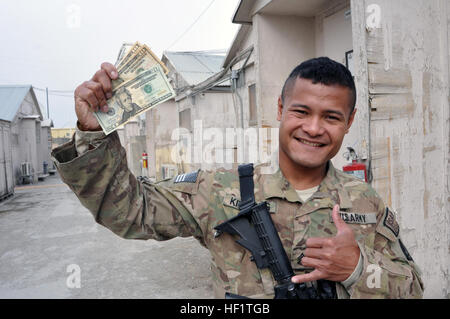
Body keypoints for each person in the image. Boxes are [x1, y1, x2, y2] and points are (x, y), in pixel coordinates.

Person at [52, 57, 424, 299]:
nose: (314, 128)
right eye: (301, 111)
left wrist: (357, 267)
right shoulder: (219, 189)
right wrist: (94, 130)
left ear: (350, 122)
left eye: (331, 117)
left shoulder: (365, 201)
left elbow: (414, 290)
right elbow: (129, 212)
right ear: (280, 109)